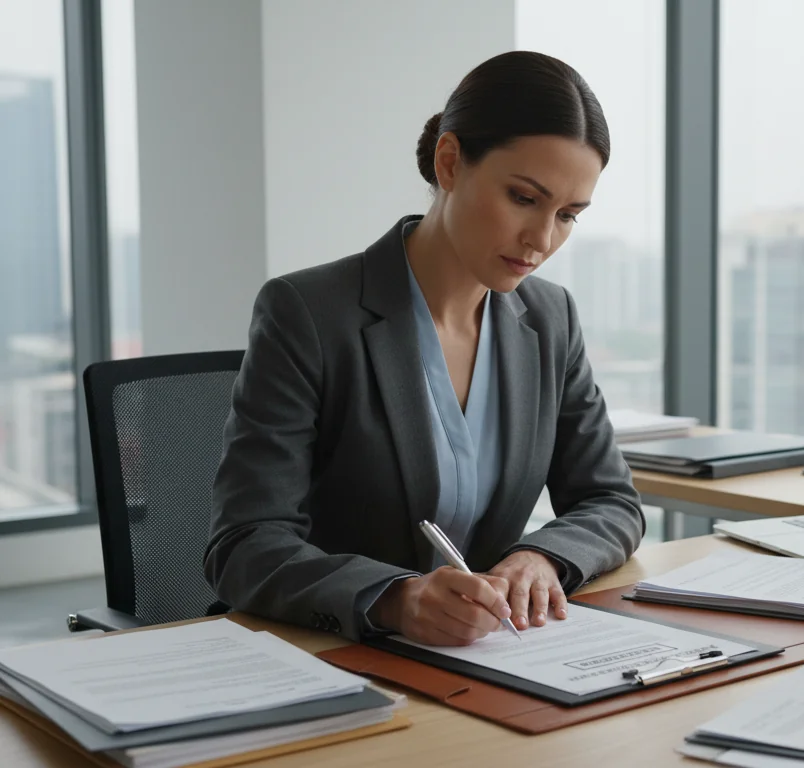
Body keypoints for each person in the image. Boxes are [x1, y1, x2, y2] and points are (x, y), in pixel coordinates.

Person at [204, 51, 643, 647]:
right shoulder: (307, 313)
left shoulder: (550, 318)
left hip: (486, 661)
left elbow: (609, 500)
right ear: (450, 162)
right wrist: (394, 598)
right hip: (331, 655)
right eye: (522, 198)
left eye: (567, 215)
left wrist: (543, 558)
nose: (542, 239)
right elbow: (245, 542)